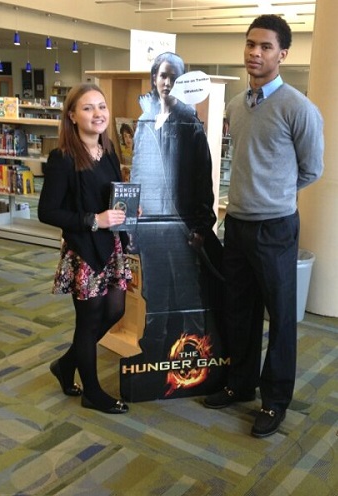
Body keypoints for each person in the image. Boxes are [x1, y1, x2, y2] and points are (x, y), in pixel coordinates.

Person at [203, 15, 324, 437]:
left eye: (266, 47)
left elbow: (312, 169)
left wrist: (275, 195)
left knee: (281, 317)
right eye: (251, 44)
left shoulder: (298, 108)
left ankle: (275, 401)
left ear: (283, 55)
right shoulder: (237, 106)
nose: (255, 53)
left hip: (275, 228)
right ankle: (240, 385)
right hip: (235, 223)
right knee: (239, 312)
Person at [38, 83, 131, 414]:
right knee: (88, 322)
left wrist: (126, 212)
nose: (98, 114)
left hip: (111, 246)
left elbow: (110, 197)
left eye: (101, 106)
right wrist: (95, 219)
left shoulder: (107, 153)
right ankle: (91, 391)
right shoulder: (63, 158)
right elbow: (48, 211)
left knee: (116, 310)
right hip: (84, 249)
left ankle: (66, 364)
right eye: (88, 108)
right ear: (72, 116)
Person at [129, 52, 218, 390]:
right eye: (162, 75)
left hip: (181, 227)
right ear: (154, 78)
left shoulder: (189, 123)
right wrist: (132, 226)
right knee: (155, 291)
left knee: (187, 293)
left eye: (173, 77)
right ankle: (152, 351)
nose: (166, 82)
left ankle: (191, 360)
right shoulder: (143, 122)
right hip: (150, 225)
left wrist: (200, 227)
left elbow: (202, 180)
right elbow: (137, 172)